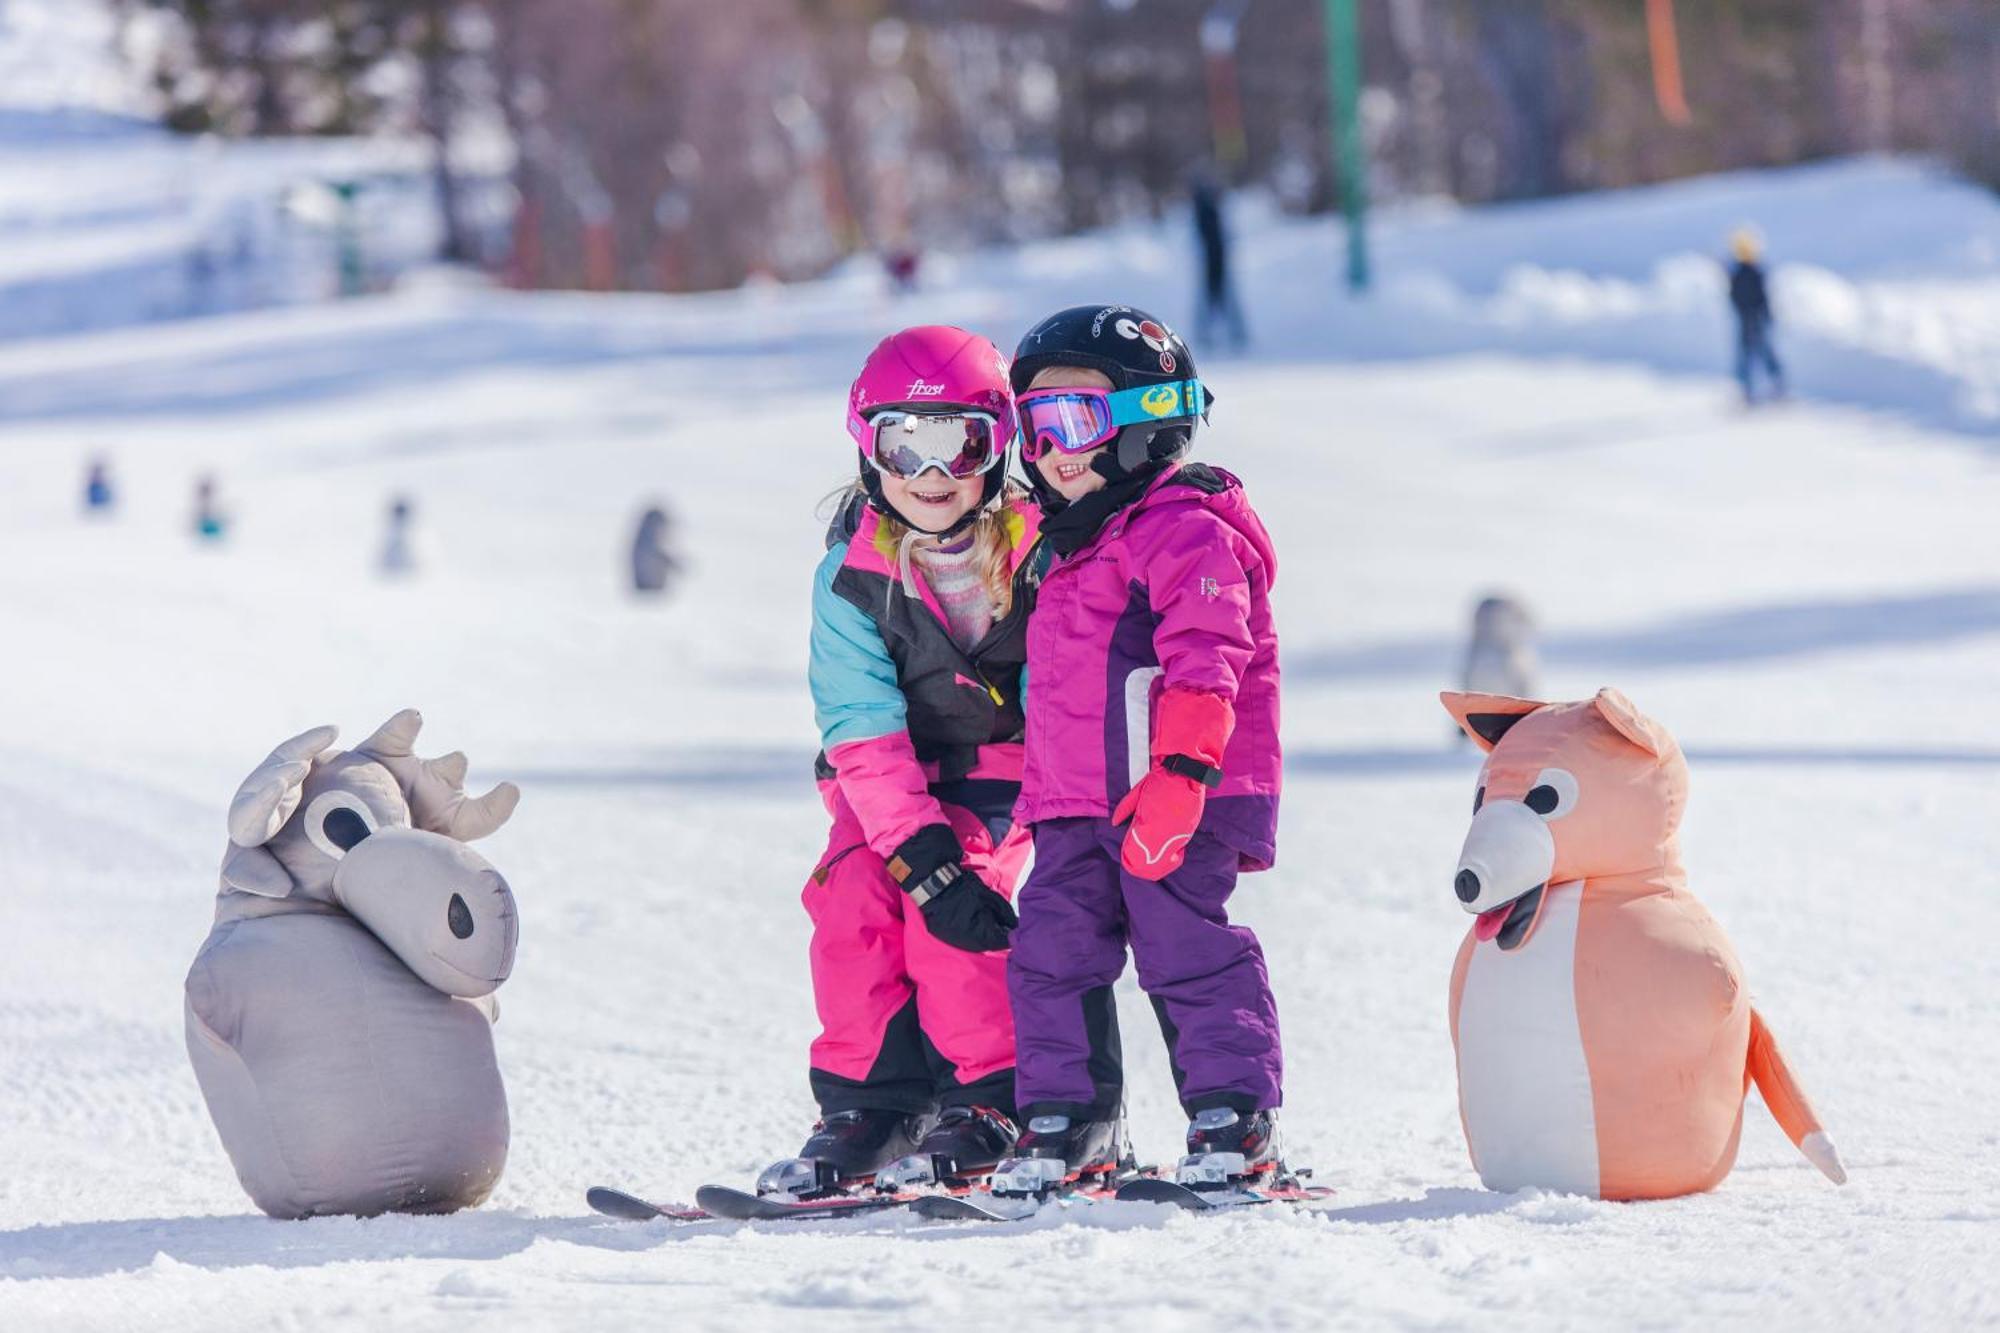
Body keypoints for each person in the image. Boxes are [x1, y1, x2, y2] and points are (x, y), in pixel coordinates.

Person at [991, 304, 1285, 1193]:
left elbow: (1210, 660)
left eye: (1071, 421)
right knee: (1049, 952)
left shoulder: (1186, 528)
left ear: (1147, 421)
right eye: (1031, 428)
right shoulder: (1067, 544)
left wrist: (1185, 774)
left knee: (1183, 945)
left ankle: (1236, 1116)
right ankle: (1069, 1119)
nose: (1048, 450)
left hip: (1171, 795)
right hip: (1075, 806)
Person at [759, 325, 1045, 1199]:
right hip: (883, 782)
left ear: (996, 449)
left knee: (961, 898)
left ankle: (990, 1096)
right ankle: (870, 1103)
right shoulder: (849, 575)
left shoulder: (1043, 553)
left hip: (1002, 769)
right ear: (867, 447)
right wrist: (912, 851)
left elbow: (1066, 689)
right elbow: (859, 722)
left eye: (958, 444)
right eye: (902, 444)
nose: (930, 474)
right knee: (853, 887)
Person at [1192, 170, 1248, 352]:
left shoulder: (1207, 208)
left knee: (1219, 299)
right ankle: (1214, 333)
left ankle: (1230, 333)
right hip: (1213, 259)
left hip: (1216, 258)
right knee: (1215, 299)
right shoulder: (1205, 209)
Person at [1728, 227, 1785, 404]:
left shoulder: (1754, 271)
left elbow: (1763, 297)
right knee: (1747, 355)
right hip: (1746, 319)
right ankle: (1748, 391)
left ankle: (1776, 386)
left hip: (1756, 319)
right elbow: (1734, 297)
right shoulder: (1737, 272)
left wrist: (1766, 315)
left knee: (1764, 353)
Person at [629, 504, 682, 595]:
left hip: (647, 586)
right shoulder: (648, 538)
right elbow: (658, 554)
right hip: (651, 586)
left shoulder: (641, 536)